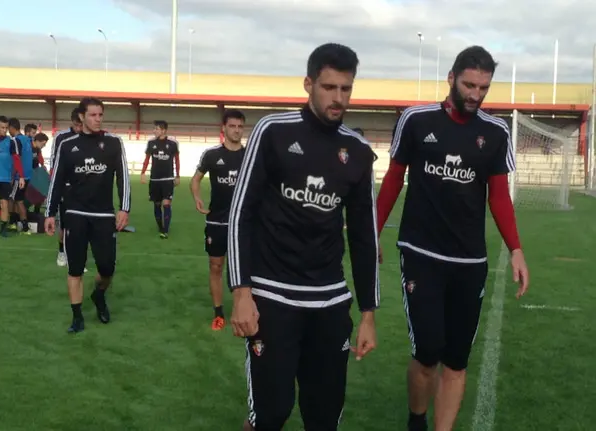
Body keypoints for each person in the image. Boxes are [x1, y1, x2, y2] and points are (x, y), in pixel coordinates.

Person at [375, 46, 530, 431]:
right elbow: (394, 179)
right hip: (420, 252)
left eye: (484, 87)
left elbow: (498, 195)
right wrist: (370, 233)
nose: (476, 94)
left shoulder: (495, 132)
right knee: (427, 352)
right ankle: (417, 420)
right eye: (469, 85)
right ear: (451, 78)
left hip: (469, 261)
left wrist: (516, 249)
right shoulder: (415, 120)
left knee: (457, 360)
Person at [227, 43, 380, 430]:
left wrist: (368, 314)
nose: (338, 98)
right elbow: (240, 213)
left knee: (324, 418)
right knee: (270, 413)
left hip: (329, 302)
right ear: (308, 84)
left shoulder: (358, 151)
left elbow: (364, 237)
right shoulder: (273, 131)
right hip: (273, 297)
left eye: (346, 89)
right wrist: (242, 293)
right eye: (329, 87)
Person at [44, 97, 130, 333]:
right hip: (74, 213)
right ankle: (77, 316)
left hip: (103, 214)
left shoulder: (113, 143)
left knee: (107, 268)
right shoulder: (66, 144)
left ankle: (99, 295)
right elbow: (57, 180)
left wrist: (124, 208)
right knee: (75, 268)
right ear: (81, 117)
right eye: (93, 115)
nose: (98, 119)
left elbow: (123, 177)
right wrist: (49, 213)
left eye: (101, 115)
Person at [189, 109, 247, 331]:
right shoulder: (212, 155)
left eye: (240, 126)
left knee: (243, 269)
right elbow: (195, 180)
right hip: (217, 222)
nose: (236, 130)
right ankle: (218, 313)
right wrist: (197, 198)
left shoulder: (250, 155)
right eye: (232, 126)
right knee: (216, 266)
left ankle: (242, 310)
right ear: (224, 128)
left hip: (243, 223)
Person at [50, 108, 84, 267]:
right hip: (65, 188)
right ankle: (62, 251)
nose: (79, 129)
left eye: (81, 125)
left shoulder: (88, 137)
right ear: (73, 122)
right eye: (77, 125)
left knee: (82, 225)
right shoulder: (61, 137)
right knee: (64, 224)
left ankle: (78, 258)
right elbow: (54, 163)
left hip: (83, 189)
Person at [140, 120, 180, 239]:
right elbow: (147, 159)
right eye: (154, 129)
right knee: (157, 204)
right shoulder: (151, 143)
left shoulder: (173, 144)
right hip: (154, 180)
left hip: (168, 179)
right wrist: (143, 173)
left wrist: (177, 175)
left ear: (163, 130)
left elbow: (177, 160)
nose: (154, 131)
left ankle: (165, 231)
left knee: (166, 204)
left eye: (156, 129)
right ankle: (160, 227)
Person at [8, 117, 33, 233]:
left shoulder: (15, 140)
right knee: (16, 199)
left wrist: (13, 176)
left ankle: (23, 226)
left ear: (12, 128)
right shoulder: (27, 139)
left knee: (15, 200)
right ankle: (14, 223)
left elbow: (16, 159)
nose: (8, 131)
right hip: (27, 175)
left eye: (8, 128)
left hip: (20, 176)